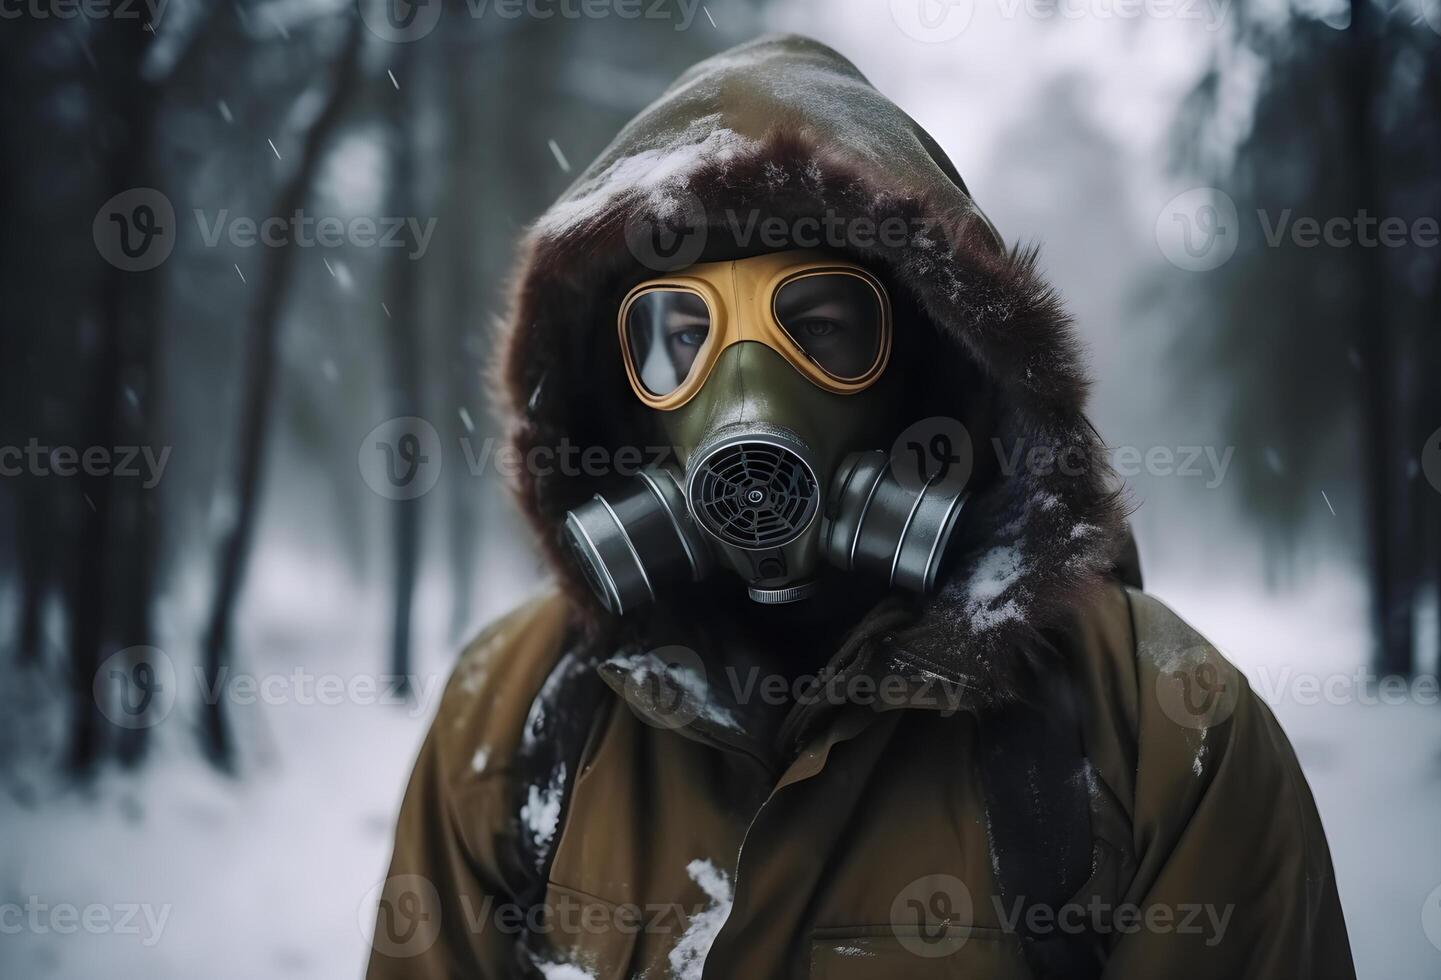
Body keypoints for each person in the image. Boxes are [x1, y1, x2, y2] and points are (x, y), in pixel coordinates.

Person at [367, 34, 1354, 980]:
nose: (743, 388)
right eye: (679, 339)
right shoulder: (507, 720)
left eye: (820, 325)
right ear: (620, 400)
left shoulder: (1165, 734)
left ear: (930, 368)